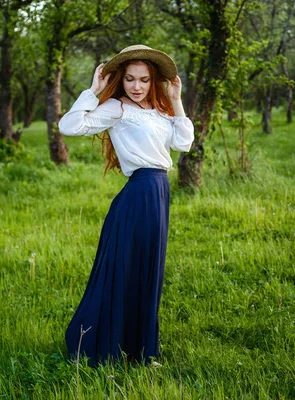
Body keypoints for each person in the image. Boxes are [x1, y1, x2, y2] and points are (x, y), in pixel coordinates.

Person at [59, 44, 194, 367]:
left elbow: (184, 142)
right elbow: (69, 126)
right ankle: (98, 344)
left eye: (144, 80)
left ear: (153, 81)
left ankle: (143, 350)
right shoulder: (118, 108)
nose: (136, 86)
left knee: (149, 272)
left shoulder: (159, 111)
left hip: (159, 193)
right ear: (121, 80)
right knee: (123, 271)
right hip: (137, 196)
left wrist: (176, 100)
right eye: (131, 79)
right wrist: (93, 91)